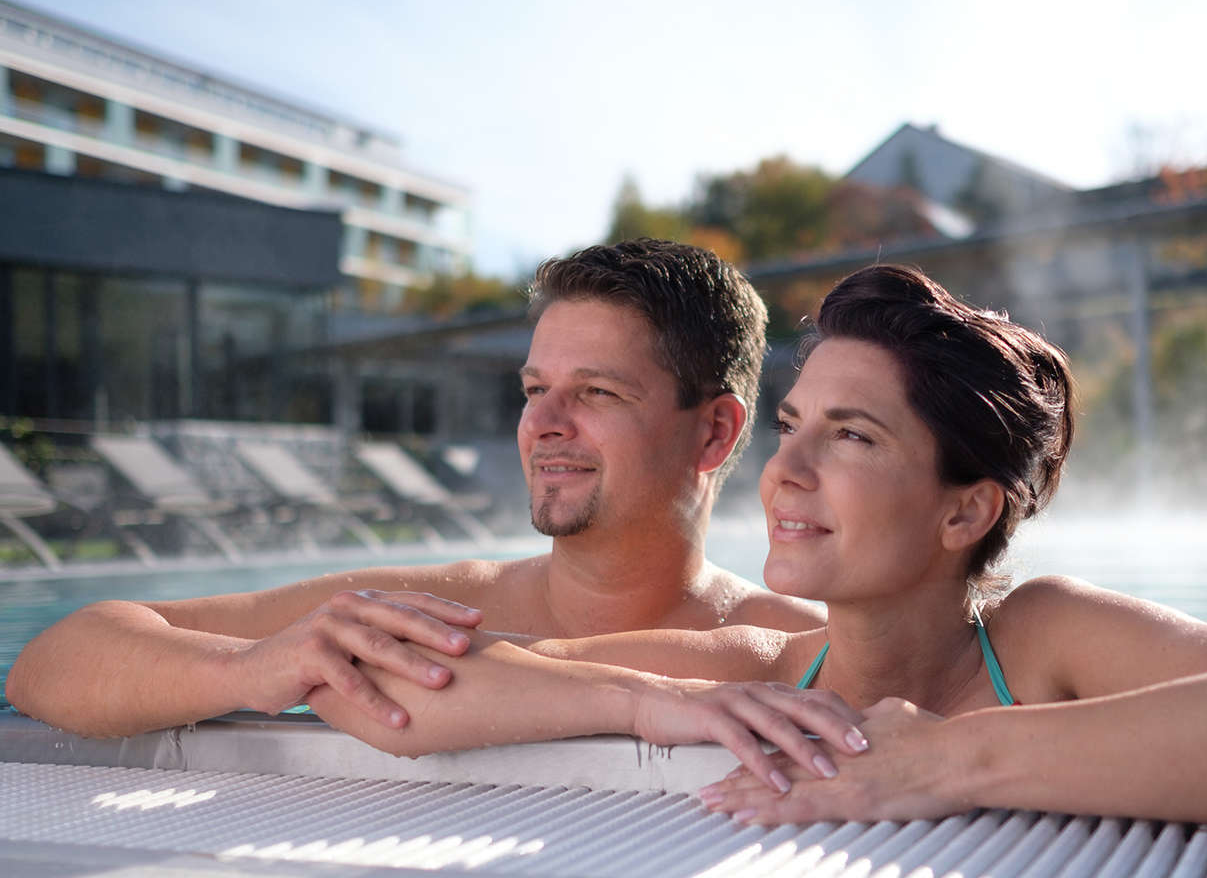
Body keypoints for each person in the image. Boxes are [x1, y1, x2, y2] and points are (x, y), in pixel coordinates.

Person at [306, 264, 1207, 824]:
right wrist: (645, 701)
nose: (784, 473)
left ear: (964, 511)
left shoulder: (1044, 643)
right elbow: (376, 693)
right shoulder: (761, 669)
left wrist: (940, 762)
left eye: (854, 436)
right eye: (792, 428)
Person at [5, 240, 848, 776]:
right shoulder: (426, 609)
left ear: (713, 431)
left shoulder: (794, 644)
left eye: (595, 392)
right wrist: (251, 669)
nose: (543, 425)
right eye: (534, 390)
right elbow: (51, 660)